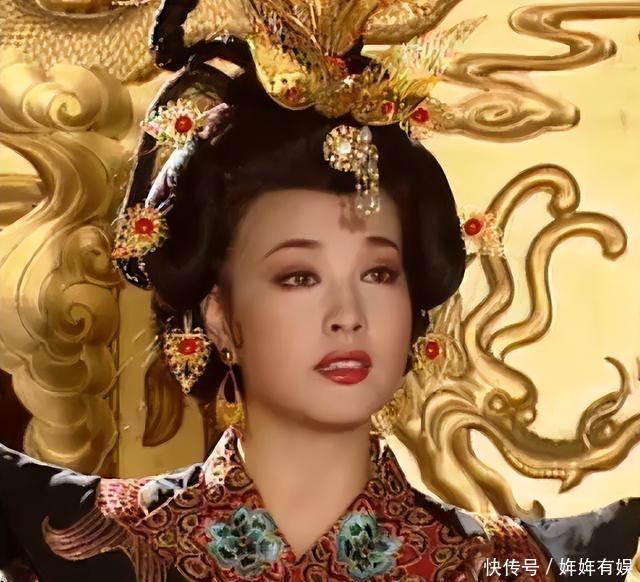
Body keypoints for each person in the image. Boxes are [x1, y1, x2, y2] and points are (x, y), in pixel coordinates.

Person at [1, 2, 640, 581]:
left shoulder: (520, 566)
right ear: (219, 317)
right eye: (298, 277)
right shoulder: (85, 542)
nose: (348, 315)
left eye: (379, 274)